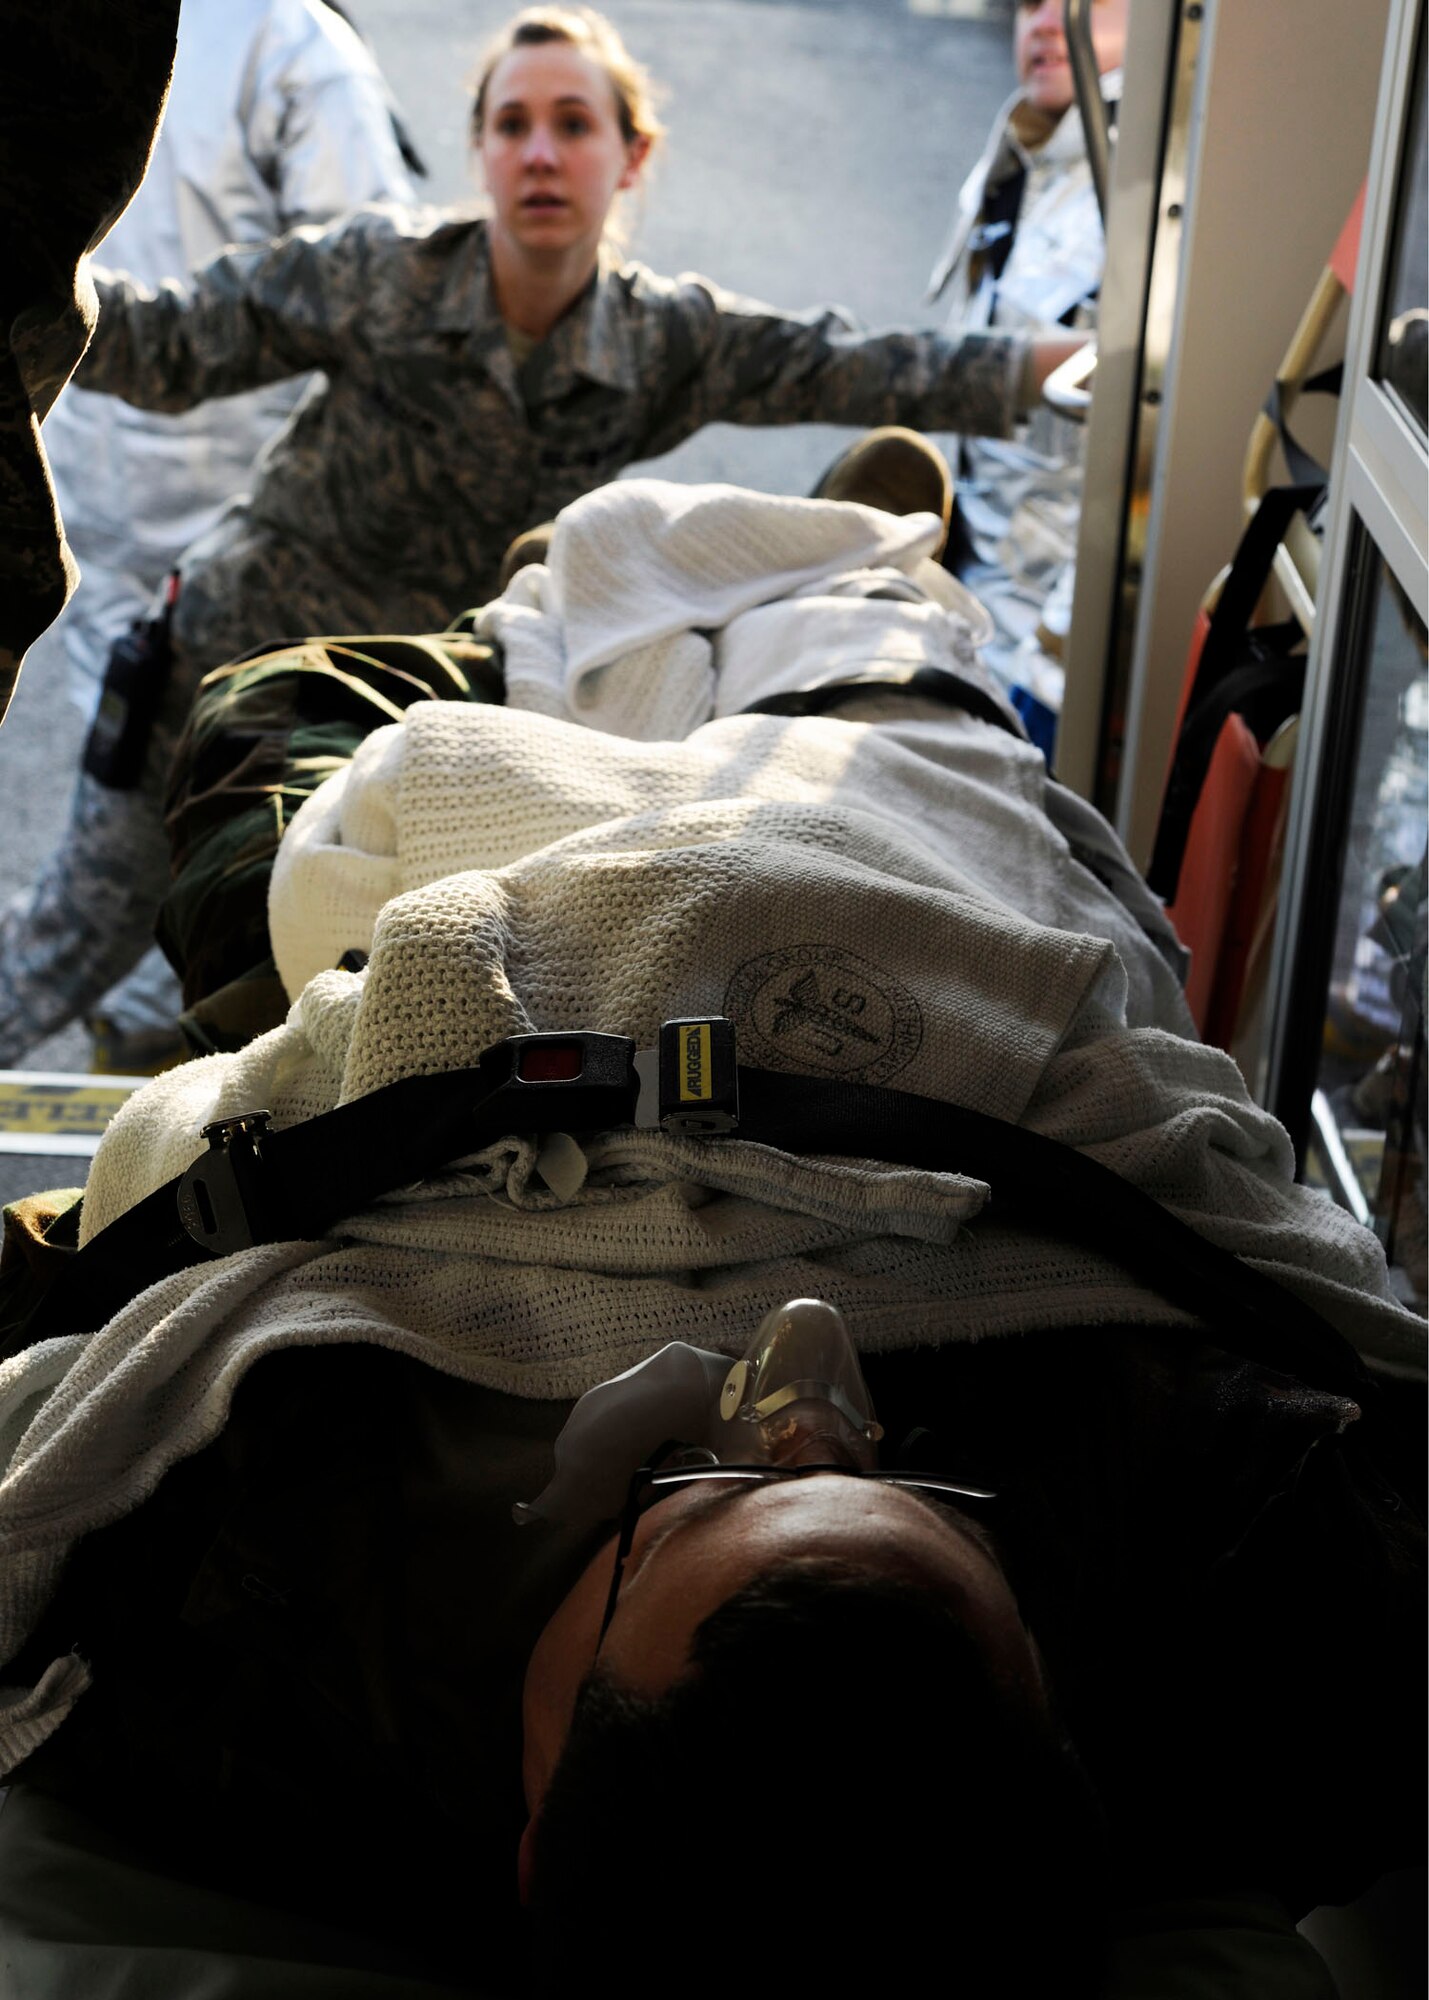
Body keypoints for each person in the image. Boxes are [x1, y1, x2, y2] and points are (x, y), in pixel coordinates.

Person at [0, 473, 1420, 1998]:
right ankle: (838, 583)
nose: (798, 1381)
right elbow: (1281, 1273)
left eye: (680, 1505)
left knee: (268, 741)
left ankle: (535, 610)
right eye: (925, 1482)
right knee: (905, 727)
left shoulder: (219, 1630)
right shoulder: (1268, 1604)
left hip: (495, 1008)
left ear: (534, 1829)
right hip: (931, 940)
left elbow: (97, 1299)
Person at [0, 2, 1079, 1074]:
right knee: (69, 949)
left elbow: (853, 364)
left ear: (630, 154)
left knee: (292, 1005)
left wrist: (1057, 365)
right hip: (223, 687)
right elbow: (169, 341)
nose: (541, 154)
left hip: (401, 719)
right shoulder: (384, 275)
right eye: (512, 125)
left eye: (574, 123)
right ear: (478, 149)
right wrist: (24, 272)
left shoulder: (659, 338)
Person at [8, 0, 418, 1075]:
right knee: (181, 819)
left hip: (130, 491)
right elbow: (379, 270)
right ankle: (141, 1051)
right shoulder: (291, 45)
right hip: (156, 511)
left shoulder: (283, 45)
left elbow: (368, 271)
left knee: (163, 808)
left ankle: (137, 1049)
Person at [927, 0, 1128, 752]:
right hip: (964, 622)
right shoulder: (1022, 159)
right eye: (1026, 2)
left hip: (1049, 668)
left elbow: (1148, 485)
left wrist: (1045, 684)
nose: (1044, 22)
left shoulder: (1156, 205)